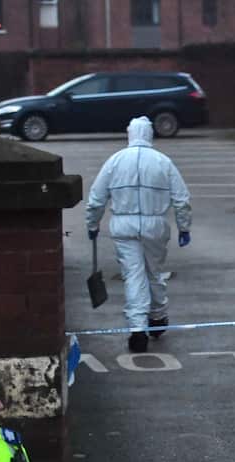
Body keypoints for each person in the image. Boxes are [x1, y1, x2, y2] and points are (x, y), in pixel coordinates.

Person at [85, 115, 192, 354]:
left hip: (123, 225)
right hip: (155, 225)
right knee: (154, 272)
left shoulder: (115, 161)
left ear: (130, 134)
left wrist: (93, 224)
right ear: (150, 134)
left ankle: (137, 328)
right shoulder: (163, 162)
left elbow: (96, 198)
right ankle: (157, 317)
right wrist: (184, 227)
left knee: (133, 275)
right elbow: (181, 199)